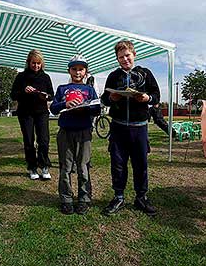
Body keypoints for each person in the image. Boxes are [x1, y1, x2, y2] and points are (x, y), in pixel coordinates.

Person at [101, 40, 160, 216]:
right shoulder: (113, 76)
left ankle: (141, 197)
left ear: (134, 54)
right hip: (118, 127)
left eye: (127, 55)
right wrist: (112, 98)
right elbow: (104, 99)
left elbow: (156, 95)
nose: (125, 59)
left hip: (139, 127)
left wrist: (147, 98)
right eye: (121, 57)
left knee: (140, 164)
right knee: (118, 164)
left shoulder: (146, 73)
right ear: (117, 59)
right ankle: (118, 197)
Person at [50, 54, 100, 215]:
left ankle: (84, 199)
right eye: (74, 69)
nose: (77, 72)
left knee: (83, 167)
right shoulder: (62, 88)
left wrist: (85, 107)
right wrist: (65, 103)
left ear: (86, 72)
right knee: (65, 167)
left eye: (81, 69)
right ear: (69, 70)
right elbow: (53, 108)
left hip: (84, 132)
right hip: (65, 132)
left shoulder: (90, 90)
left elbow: (97, 108)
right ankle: (66, 199)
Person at [11, 49, 54, 180]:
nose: (36, 66)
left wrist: (45, 96)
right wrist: (24, 91)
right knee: (29, 141)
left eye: (38, 63)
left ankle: (44, 166)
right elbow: (13, 95)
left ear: (42, 64)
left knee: (44, 140)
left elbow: (51, 96)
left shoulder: (45, 77)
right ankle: (32, 167)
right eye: (33, 63)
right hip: (25, 113)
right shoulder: (21, 77)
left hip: (41, 112)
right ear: (28, 62)